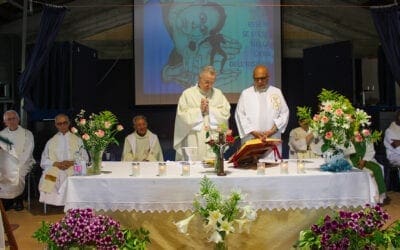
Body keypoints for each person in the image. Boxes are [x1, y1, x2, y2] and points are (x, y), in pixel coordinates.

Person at [173, 65, 231, 161]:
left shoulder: (218, 94)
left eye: (212, 83)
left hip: (213, 136)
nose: (209, 85)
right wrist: (199, 111)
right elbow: (181, 115)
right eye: (206, 82)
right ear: (199, 79)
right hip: (193, 137)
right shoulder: (187, 94)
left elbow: (225, 113)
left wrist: (211, 110)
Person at [235, 64, 289, 159]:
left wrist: (272, 131)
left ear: (268, 77)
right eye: (256, 79)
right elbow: (239, 115)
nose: (259, 81)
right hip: (252, 140)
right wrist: (253, 132)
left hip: (271, 139)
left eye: (262, 78)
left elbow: (285, 113)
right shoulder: (246, 93)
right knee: (251, 169)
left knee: (272, 169)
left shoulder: (276, 92)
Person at [38, 113, 88, 206]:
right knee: (48, 176)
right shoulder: (51, 141)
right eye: (59, 124)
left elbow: (85, 158)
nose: (62, 126)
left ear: (69, 123)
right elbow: (44, 161)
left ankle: (73, 203)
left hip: (74, 167)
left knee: (77, 175)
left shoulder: (77, 140)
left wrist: (72, 162)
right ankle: (55, 202)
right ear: (56, 125)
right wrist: (56, 163)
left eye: (65, 123)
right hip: (55, 168)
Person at [0, 110, 35, 211]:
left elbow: (28, 152)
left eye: (13, 118)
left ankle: (18, 199)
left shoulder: (27, 134)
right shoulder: (1, 135)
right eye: (9, 119)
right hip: (5, 163)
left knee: (18, 173)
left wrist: (17, 164)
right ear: (5, 122)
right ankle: (6, 201)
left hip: (23, 161)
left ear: (18, 119)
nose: (11, 121)